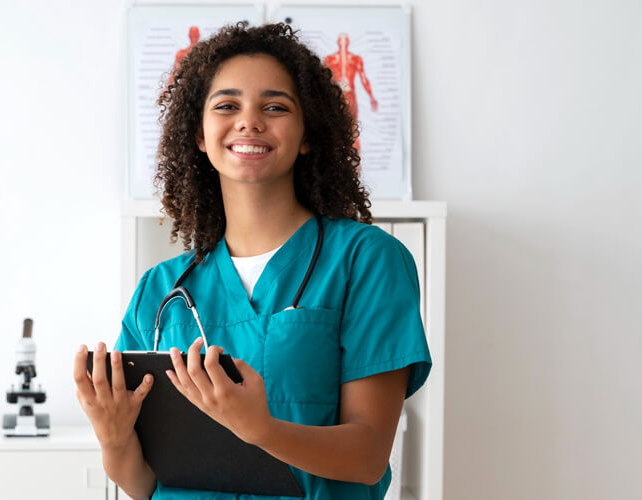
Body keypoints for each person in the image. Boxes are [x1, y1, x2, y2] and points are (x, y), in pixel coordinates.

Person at [73, 22, 430, 500]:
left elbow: (367, 458)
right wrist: (113, 436)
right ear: (199, 134)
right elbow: (144, 485)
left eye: (275, 107)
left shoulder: (367, 262)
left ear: (307, 135)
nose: (249, 121)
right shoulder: (160, 291)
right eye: (226, 105)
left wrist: (260, 429)